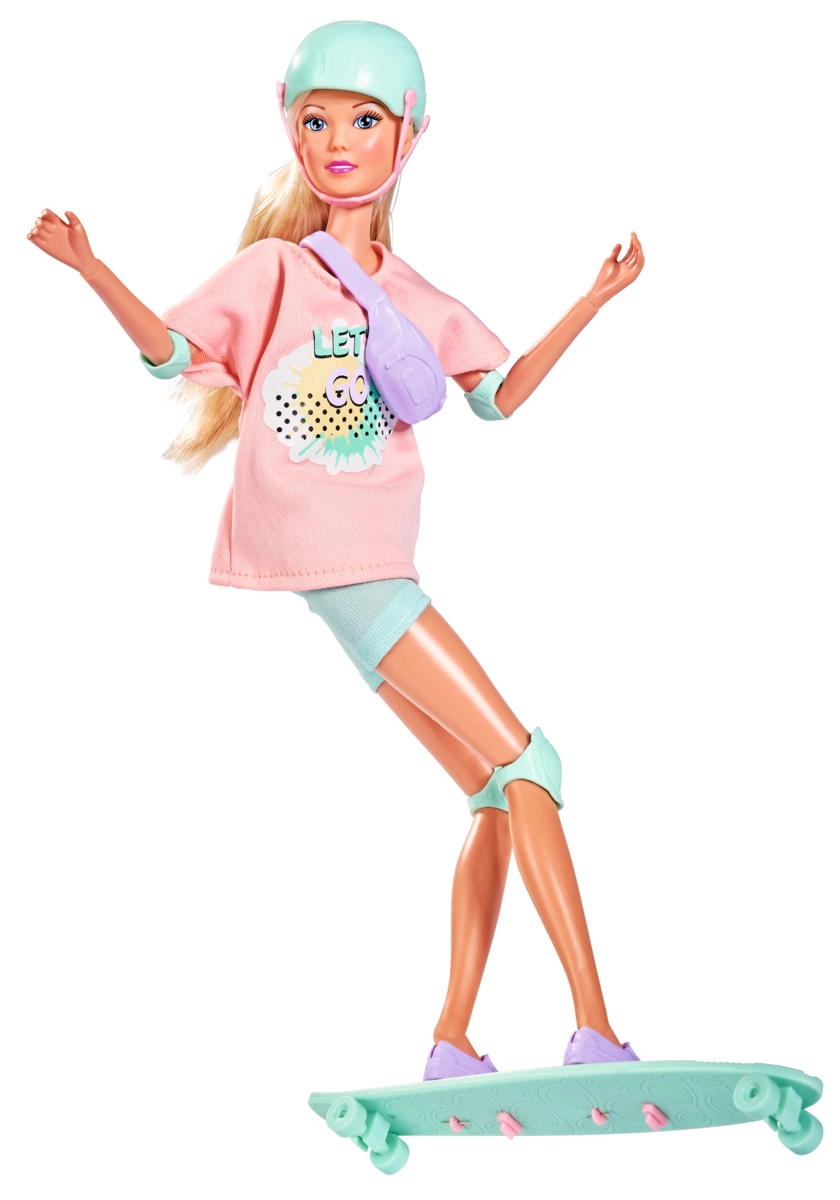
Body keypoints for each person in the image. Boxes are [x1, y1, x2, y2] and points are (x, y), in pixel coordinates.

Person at [27, 20, 645, 1080]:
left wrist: (589, 302)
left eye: (362, 120)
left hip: (376, 579)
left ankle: (453, 1043)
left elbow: (497, 397)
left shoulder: (412, 294)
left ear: (409, 135)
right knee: (531, 764)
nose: (339, 142)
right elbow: (173, 351)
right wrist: (92, 269)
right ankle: (594, 1028)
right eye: (316, 121)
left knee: (494, 792)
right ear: (290, 127)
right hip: (352, 571)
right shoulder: (273, 269)